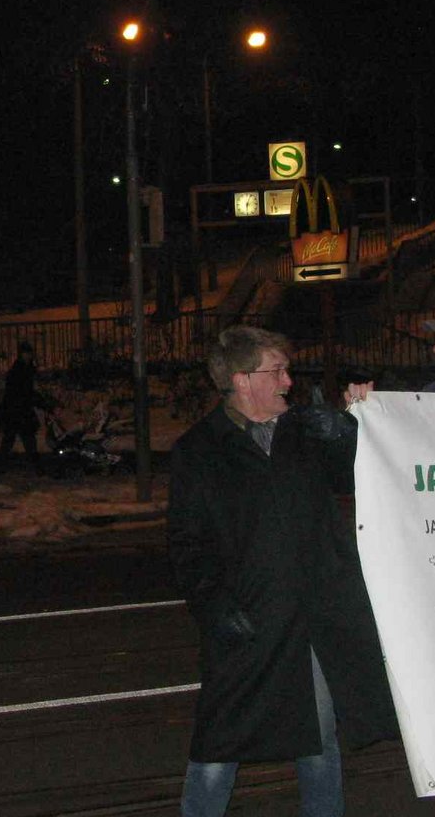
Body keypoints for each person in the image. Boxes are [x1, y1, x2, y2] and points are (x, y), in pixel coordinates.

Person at [167, 325, 393, 817]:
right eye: (278, 371)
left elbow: (361, 472)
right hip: (249, 621)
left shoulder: (303, 432)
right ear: (243, 380)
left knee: (318, 737)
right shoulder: (199, 451)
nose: (289, 381)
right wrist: (215, 607)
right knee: (218, 747)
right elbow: (188, 547)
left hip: (315, 616)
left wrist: (346, 431)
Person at [0, 340, 40, 470]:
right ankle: (32, 463)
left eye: (29, 353)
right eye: (25, 353)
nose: (27, 356)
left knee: (20, 438)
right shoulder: (19, 370)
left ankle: (2, 464)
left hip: (19, 409)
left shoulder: (25, 369)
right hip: (16, 409)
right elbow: (19, 391)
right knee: (17, 437)